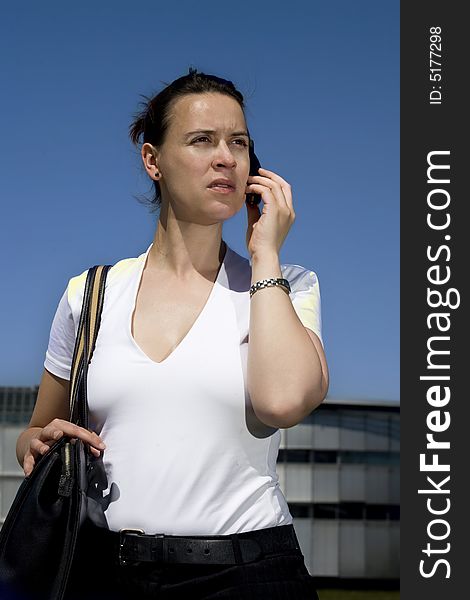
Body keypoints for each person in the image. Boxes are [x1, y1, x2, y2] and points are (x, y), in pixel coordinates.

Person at [15, 68, 329, 599]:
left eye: (240, 143)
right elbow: (36, 431)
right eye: (202, 140)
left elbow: (281, 403)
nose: (226, 157)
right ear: (152, 160)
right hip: (105, 574)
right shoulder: (88, 296)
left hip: (248, 574)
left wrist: (266, 254)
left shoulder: (286, 286)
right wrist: (37, 441)